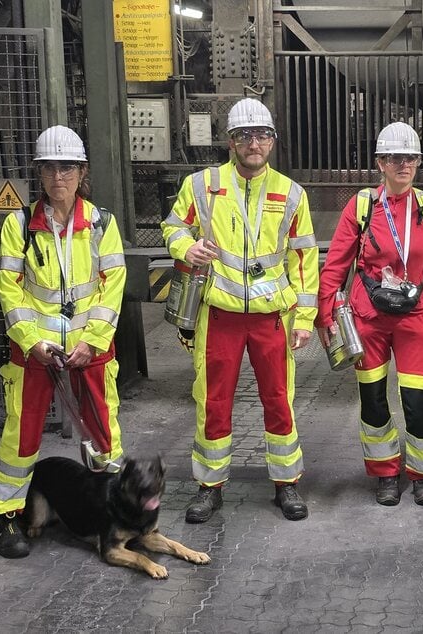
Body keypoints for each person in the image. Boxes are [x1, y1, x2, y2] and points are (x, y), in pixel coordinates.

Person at [162, 98, 318, 522]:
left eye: (262, 135)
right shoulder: (202, 185)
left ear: (272, 142)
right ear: (230, 142)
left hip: (272, 317)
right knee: (213, 402)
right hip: (219, 316)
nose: (255, 143)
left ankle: (286, 485)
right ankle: (209, 487)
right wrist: (186, 245)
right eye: (245, 136)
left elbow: (303, 259)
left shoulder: (291, 193)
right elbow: (173, 226)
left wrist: (304, 319)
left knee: (278, 400)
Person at [0, 125, 126, 558]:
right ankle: (7, 516)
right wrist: (31, 341)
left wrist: (94, 338)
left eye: (67, 167)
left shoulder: (102, 223)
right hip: (33, 351)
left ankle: (114, 507)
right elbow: (9, 288)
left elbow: (113, 285)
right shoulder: (19, 224)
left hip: (91, 347)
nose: (58, 177)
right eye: (49, 167)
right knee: (22, 432)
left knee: (104, 431)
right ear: (40, 173)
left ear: (81, 171)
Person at [316, 122, 423, 506]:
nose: (403, 164)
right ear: (380, 162)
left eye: (410, 158)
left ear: (418, 162)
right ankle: (384, 473)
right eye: (394, 158)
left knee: (419, 400)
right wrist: (325, 314)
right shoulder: (362, 207)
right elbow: (335, 265)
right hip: (368, 319)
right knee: (374, 398)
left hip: (415, 319)